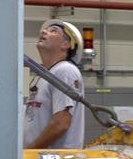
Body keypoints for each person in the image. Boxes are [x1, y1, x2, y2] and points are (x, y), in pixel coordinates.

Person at [24, 19, 87, 150]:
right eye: (45, 30)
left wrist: (30, 151)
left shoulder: (65, 70)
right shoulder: (46, 75)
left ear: (66, 44)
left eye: (53, 31)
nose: (43, 32)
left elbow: (61, 123)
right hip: (38, 157)